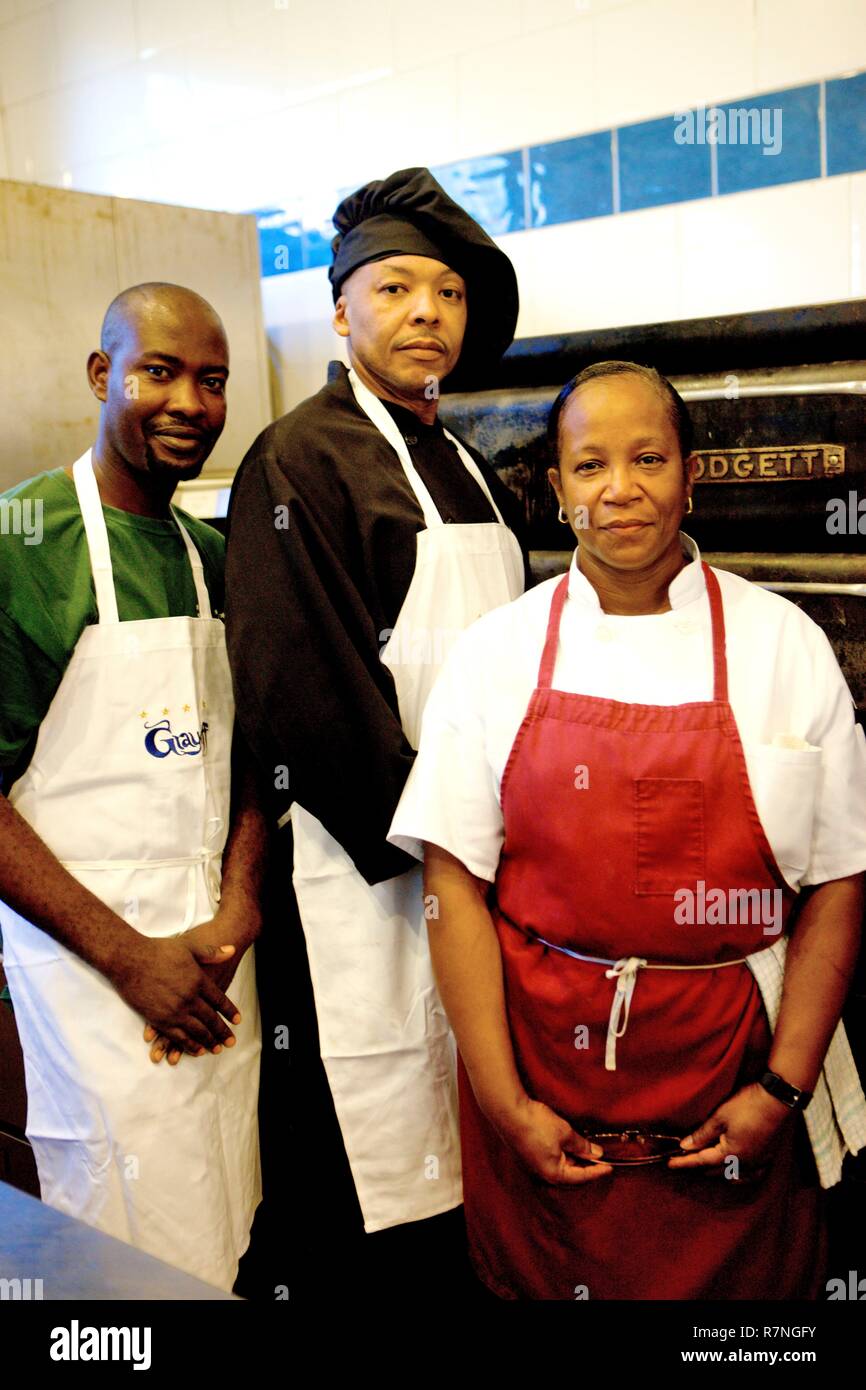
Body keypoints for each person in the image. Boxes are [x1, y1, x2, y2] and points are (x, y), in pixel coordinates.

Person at [389, 360, 866, 1300]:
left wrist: (782, 1090)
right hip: (542, 1085)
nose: (621, 489)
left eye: (648, 458)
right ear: (558, 487)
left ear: (690, 475)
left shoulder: (783, 644)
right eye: (591, 464)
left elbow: (843, 881)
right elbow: (451, 886)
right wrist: (500, 1101)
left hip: (733, 1081)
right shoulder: (497, 655)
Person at [226, 167, 528, 1295]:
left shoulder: (470, 466)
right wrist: (458, 845)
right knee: (358, 1182)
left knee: (468, 1152)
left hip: (486, 869)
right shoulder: (296, 459)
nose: (425, 314)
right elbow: (300, 700)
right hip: (365, 883)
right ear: (340, 304)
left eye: (447, 293)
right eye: (395, 287)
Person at [0, 283, 265, 1293]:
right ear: (101, 375)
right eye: (159, 372)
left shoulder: (213, 556)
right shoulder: (23, 542)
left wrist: (237, 906)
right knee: (112, 1242)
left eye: (212, 380)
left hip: (214, 963)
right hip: (89, 974)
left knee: (213, 1215)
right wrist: (128, 959)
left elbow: (253, 760)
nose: (189, 403)